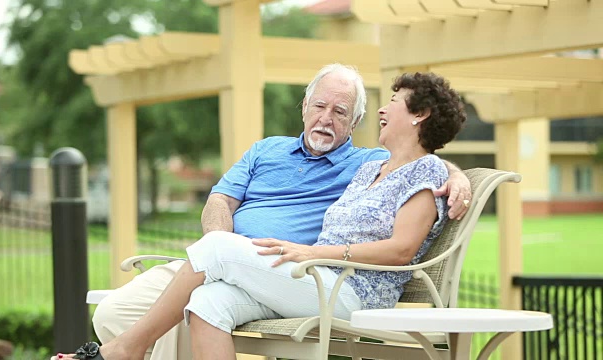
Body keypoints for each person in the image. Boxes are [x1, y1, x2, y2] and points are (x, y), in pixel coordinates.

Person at [61, 65, 472, 360]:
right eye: (319, 106)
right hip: (264, 268)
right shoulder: (366, 169)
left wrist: (457, 176)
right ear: (304, 106)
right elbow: (219, 201)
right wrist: (232, 253)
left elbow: (411, 213)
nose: (326, 118)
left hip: (332, 282)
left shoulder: (384, 163)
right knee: (206, 303)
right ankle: (133, 340)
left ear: (356, 121)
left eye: (341, 112)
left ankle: (125, 351)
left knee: (217, 252)